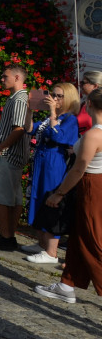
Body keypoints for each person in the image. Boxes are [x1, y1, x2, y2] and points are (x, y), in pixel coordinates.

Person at [35, 87, 102, 304]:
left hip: (91, 185)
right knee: (79, 235)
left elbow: (78, 168)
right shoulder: (95, 132)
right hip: (93, 183)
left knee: (92, 239)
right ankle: (66, 284)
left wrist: (59, 193)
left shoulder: (94, 133)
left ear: (89, 104)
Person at [22, 82, 78, 264]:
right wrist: (30, 109)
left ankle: (51, 251)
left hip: (55, 163)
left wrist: (53, 113)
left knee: (50, 202)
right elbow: (29, 129)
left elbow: (58, 136)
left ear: (68, 98)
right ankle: (41, 243)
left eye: (58, 96)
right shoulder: (49, 119)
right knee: (38, 198)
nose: (53, 98)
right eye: (52, 94)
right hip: (42, 161)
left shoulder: (70, 119)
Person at [0, 65, 30, 252]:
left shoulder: (19, 99)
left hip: (7, 155)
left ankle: (6, 236)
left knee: (0, 195)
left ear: (17, 77)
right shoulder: (19, 98)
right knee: (13, 197)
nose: (1, 79)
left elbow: (19, 129)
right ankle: (7, 234)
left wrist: (2, 146)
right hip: (13, 155)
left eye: (4, 76)